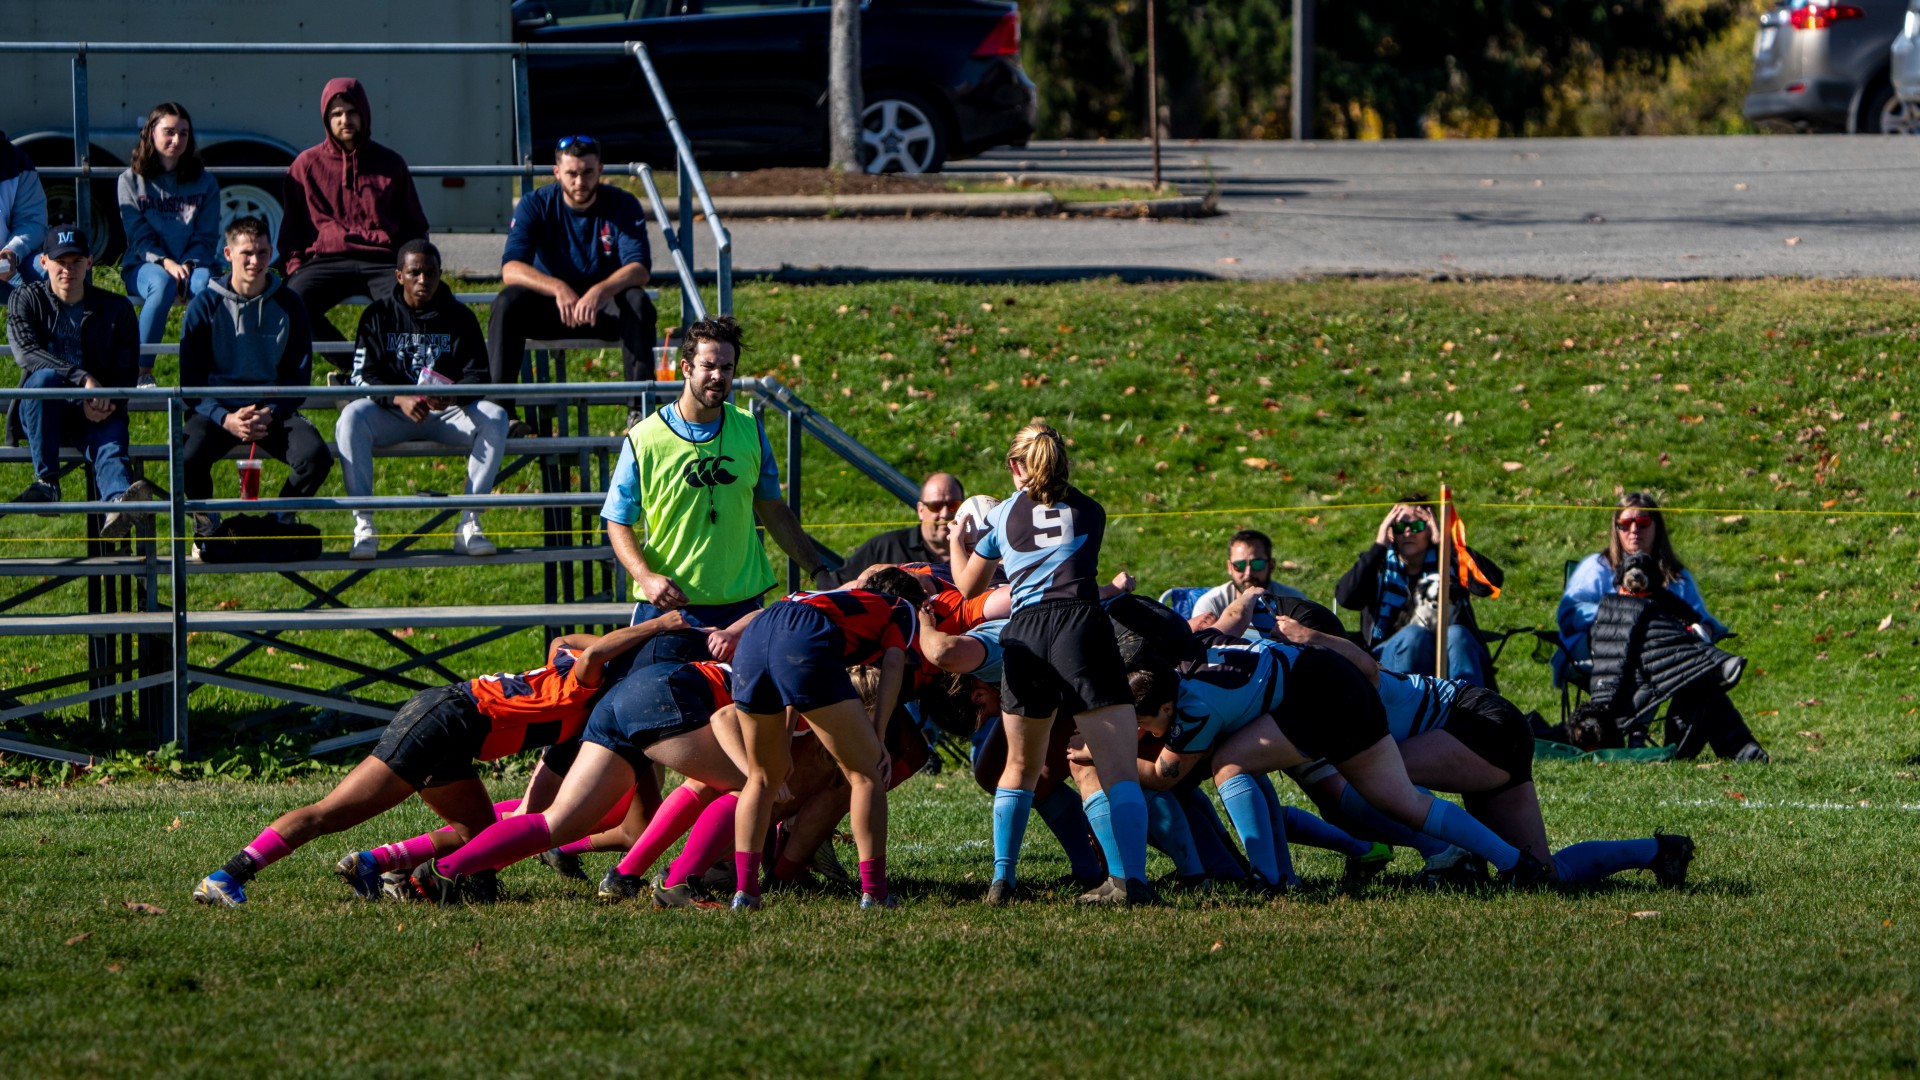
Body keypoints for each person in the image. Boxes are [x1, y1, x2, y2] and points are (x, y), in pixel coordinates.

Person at [192, 614, 679, 906]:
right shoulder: (588, 683)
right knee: (333, 813)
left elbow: (561, 644)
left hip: (455, 732)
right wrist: (656, 624)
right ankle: (227, 875)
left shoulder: (579, 687)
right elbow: (589, 657)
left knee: (479, 832)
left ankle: (377, 868)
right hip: (446, 720)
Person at [955, 423, 1158, 907]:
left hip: (1025, 632)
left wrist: (956, 541)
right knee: (1118, 771)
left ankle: (1001, 882)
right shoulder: (1092, 510)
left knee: (1020, 767)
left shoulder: (1001, 516)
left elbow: (966, 589)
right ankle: (1130, 883)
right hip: (1080, 628)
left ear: (1014, 466)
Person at [407, 656, 750, 905]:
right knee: (752, 787)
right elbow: (728, 721)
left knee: (557, 823)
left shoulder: (777, 635)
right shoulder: (793, 670)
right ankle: (679, 883)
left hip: (624, 695)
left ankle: (445, 870)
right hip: (666, 693)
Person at [600, 315, 828, 668]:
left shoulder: (749, 429)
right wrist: (645, 578)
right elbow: (617, 521)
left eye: (727, 367)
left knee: (743, 716)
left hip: (741, 609)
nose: (718, 376)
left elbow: (773, 509)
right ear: (686, 367)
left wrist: (818, 569)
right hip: (669, 609)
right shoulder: (644, 438)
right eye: (708, 366)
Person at [726, 570, 925, 910]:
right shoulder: (902, 607)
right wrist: (878, 736)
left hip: (756, 636)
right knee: (866, 775)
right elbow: (893, 664)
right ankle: (876, 894)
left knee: (761, 778)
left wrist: (785, 738)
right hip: (804, 638)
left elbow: (786, 671)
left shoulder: (822, 596)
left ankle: (745, 893)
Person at [1558, 493, 1769, 762]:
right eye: (1625, 523)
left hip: (1671, 663)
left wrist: (1697, 627)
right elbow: (1572, 613)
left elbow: (1699, 622)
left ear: (1657, 527)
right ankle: (1719, 672)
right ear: (1616, 528)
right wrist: (1618, 608)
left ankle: (1693, 749)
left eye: (1643, 522)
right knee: (1686, 659)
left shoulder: (1677, 578)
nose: (1634, 530)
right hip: (1609, 654)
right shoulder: (1597, 569)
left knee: (1694, 676)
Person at [337, 239, 507, 560]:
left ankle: (469, 524)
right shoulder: (377, 316)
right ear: (399, 275)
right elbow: (360, 377)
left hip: (446, 414)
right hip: (392, 414)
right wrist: (397, 398)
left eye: (431, 273)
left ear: (440, 274)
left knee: (495, 417)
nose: (423, 281)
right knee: (350, 418)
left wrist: (453, 394)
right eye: (414, 273)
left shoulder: (460, 316)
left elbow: (480, 376)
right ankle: (364, 526)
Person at [178, 216, 332, 540]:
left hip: (270, 411)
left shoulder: (290, 304)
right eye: (247, 252)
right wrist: (225, 417)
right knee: (185, 455)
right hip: (218, 411)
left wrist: (271, 410)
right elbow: (190, 381)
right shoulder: (204, 304)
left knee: (316, 457)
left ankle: (277, 522)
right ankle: (206, 526)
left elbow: (299, 377)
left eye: (262, 252)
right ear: (228, 254)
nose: (255, 261)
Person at [488, 134, 654, 430]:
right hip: (552, 310)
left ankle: (639, 412)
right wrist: (557, 288)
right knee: (507, 302)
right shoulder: (535, 204)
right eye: (572, 174)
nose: (580, 182)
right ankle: (500, 411)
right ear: (556, 172)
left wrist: (600, 291)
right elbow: (511, 268)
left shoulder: (622, 205)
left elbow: (639, 268)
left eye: (588, 172)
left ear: (600, 170)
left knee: (638, 302)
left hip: (601, 309)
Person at [5, 226, 161, 539]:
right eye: (61, 261)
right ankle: (47, 482)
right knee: (45, 379)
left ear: (90, 262)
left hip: (97, 408)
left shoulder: (117, 309)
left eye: (76, 261)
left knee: (111, 439)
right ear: (44, 262)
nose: (68, 269)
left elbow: (125, 371)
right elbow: (28, 355)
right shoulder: (25, 298)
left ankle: (119, 505)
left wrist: (105, 401)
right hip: (43, 410)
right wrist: (83, 380)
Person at [280, 78, 430, 357]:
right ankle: (353, 366)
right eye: (336, 114)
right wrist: (295, 267)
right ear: (326, 118)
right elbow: (291, 230)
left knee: (411, 306)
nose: (344, 119)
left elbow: (415, 226)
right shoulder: (305, 165)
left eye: (351, 111)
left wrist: (415, 265)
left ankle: (389, 374)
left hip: (383, 261)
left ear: (364, 113)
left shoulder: (391, 164)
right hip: (326, 261)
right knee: (290, 303)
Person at [1336, 501, 1502, 686]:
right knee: (1415, 635)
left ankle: (1471, 711)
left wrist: (1447, 545)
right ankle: (1407, 707)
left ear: (1430, 529)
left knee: (1456, 634)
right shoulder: (1377, 565)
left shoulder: (1449, 562)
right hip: (1387, 658)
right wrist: (1378, 546)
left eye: (1417, 526)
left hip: (1451, 650)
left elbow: (1490, 583)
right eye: (1399, 527)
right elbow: (1346, 598)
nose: (1408, 532)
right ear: (1390, 532)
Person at [117, 102, 220, 375]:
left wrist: (188, 263)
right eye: (169, 132)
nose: (177, 140)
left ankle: (202, 371)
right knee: (161, 284)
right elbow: (138, 236)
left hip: (194, 264)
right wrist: (165, 262)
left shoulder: (206, 182)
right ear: (151, 133)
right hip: (144, 265)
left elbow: (207, 236)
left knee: (206, 286)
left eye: (184, 133)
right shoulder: (129, 180)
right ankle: (140, 371)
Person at [836, 472, 965, 580]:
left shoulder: (977, 553)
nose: (945, 514)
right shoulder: (883, 547)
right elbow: (833, 587)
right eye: (935, 506)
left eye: (953, 505)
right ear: (920, 510)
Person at [1185, 529, 1309, 640]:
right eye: (1240, 565)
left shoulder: (1294, 599)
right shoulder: (1210, 604)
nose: (1248, 573)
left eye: (1257, 564)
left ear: (1271, 565)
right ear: (1229, 567)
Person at [0, 131, 48, 303]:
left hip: (6, 265)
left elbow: (33, 221)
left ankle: (25, 329)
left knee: (57, 273)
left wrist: (12, 251)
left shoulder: (14, 160)